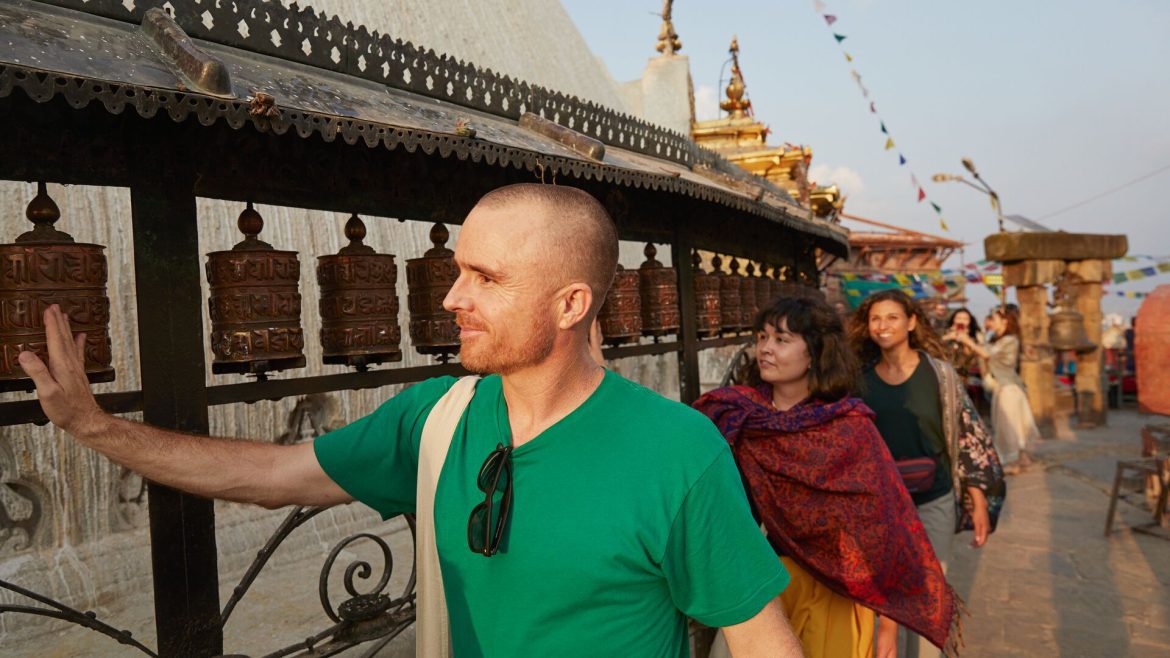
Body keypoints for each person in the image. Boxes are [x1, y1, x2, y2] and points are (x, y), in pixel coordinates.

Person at [18, 184, 802, 658]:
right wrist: (97, 430)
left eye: (485, 279)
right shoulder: (433, 417)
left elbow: (760, 640)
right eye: (457, 270)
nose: (452, 299)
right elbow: (271, 476)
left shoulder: (675, 451)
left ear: (571, 304)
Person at [694, 297, 961, 658]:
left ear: (815, 353)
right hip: (764, 584)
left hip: (836, 594)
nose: (765, 349)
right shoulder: (736, 414)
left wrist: (888, 625)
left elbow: (884, 533)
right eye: (762, 338)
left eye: (781, 340)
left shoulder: (849, 429)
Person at [849, 289, 1005, 658]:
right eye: (875, 319)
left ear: (911, 322)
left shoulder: (942, 376)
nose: (883, 326)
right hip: (880, 507)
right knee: (885, 597)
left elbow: (968, 437)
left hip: (934, 498)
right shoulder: (859, 382)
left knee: (928, 592)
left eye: (892, 317)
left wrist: (978, 498)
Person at [946, 306, 1039, 475]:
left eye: (993, 318)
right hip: (1003, 387)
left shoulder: (1009, 340)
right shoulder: (997, 340)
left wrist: (966, 340)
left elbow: (987, 355)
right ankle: (1022, 460)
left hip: (1008, 388)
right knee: (1011, 426)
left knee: (1009, 428)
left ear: (1005, 321)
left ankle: (1013, 463)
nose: (990, 321)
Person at [943, 307, 987, 415]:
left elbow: (973, 360)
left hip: (964, 380)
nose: (961, 321)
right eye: (958, 318)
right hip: (944, 378)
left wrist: (966, 340)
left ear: (970, 322)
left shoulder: (974, 338)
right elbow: (934, 349)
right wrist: (948, 337)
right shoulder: (944, 334)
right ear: (953, 320)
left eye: (965, 319)